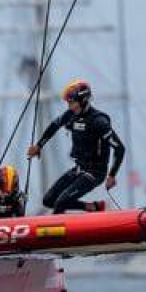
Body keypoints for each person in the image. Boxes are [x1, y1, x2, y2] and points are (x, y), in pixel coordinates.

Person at [27, 79, 125, 214]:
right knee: (48, 200)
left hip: (94, 173)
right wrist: (39, 146)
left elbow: (120, 148)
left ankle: (56, 233)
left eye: (72, 102)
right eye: (68, 103)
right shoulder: (71, 114)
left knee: (61, 202)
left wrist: (112, 175)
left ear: (83, 100)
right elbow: (54, 126)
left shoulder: (99, 121)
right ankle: (94, 207)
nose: (69, 106)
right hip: (78, 169)